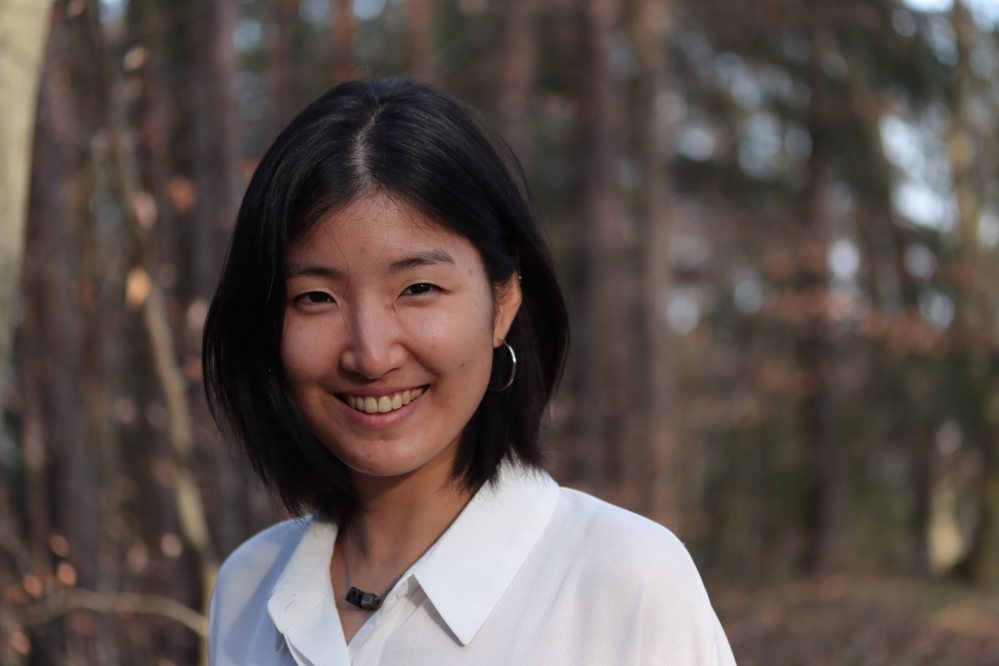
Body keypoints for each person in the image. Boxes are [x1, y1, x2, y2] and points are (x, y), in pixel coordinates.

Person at [204, 78, 736, 666]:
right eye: (315, 298)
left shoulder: (626, 585)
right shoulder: (248, 589)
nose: (371, 355)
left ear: (503, 300)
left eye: (419, 288)